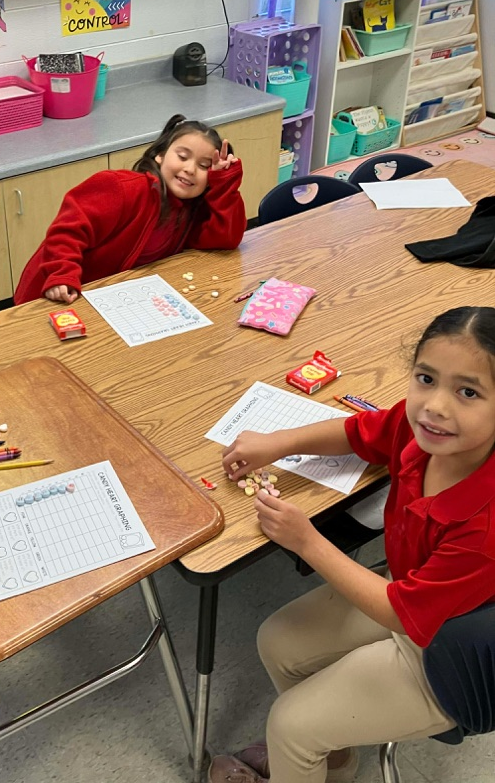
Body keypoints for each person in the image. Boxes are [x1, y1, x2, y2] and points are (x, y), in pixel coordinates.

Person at [211, 306, 495, 783]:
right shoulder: (421, 429)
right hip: (411, 595)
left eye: (468, 392)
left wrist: (307, 540)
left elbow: (402, 614)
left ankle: (304, 751)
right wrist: (277, 443)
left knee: (289, 725)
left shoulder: (486, 523)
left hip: (454, 658)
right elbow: (360, 432)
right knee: (277, 641)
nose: (436, 406)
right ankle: (332, 761)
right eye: (426, 378)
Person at [14, 114, 246, 304]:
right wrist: (61, 274)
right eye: (183, 156)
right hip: (54, 290)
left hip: (110, 298)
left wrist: (223, 184)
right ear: (160, 155)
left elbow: (226, 239)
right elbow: (66, 232)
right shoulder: (120, 188)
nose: (190, 169)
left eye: (204, 166)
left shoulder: (191, 209)